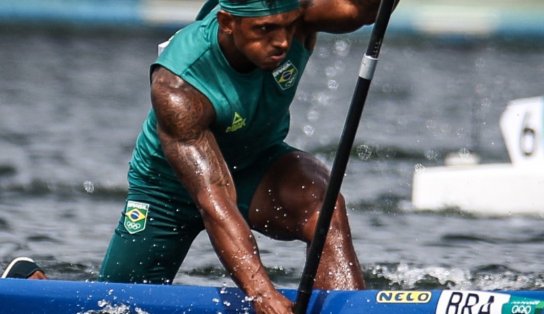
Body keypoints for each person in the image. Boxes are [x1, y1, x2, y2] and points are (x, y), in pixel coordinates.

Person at [98, 0, 383, 313]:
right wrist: (262, 295)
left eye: (288, 26)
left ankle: (352, 309)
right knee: (113, 304)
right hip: (168, 190)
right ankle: (35, 276)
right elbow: (214, 199)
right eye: (265, 30)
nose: (283, 42)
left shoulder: (299, 13)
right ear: (227, 22)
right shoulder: (177, 84)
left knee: (320, 201)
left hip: (255, 165)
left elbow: (364, 11)